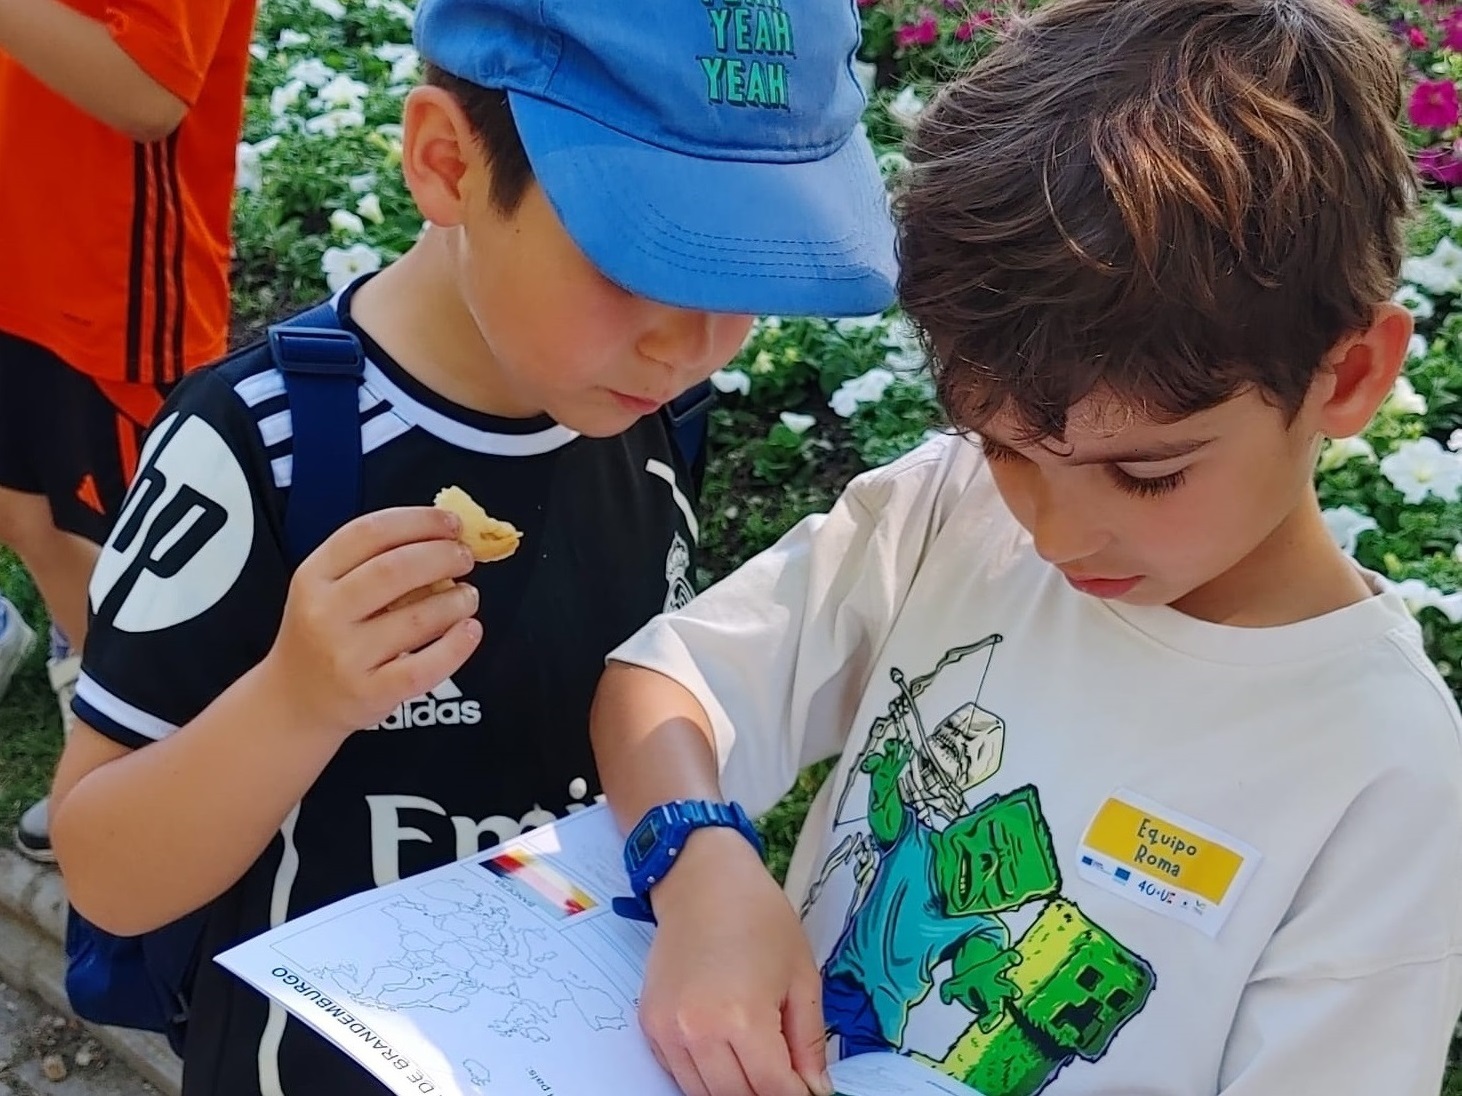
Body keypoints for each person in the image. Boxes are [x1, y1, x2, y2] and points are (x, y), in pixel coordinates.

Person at [589, 1, 1462, 1094]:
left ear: (1347, 376)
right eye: (1004, 446)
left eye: (1147, 472)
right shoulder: (947, 514)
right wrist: (701, 864)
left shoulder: (1382, 770)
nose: (1053, 529)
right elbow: (661, 685)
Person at [46, 0, 898, 1090]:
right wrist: (296, 700)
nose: (689, 345)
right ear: (447, 162)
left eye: (742, 279)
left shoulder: (646, 416)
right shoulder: (257, 444)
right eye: (636, 261)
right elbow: (107, 872)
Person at [0, 0, 259, 861]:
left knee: (150, 576)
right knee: (25, 518)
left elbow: (150, 91)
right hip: (23, 244)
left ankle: (161, 790)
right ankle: (121, 745)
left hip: (113, 291)